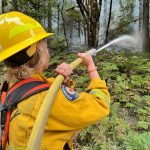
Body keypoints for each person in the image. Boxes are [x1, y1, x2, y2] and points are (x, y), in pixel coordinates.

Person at [0, 12, 110, 150]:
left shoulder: (10, 85)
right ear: (37, 51)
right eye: (46, 45)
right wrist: (91, 68)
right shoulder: (46, 99)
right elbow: (100, 105)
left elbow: (39, 92)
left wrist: (62, 83)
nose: (48, 49)